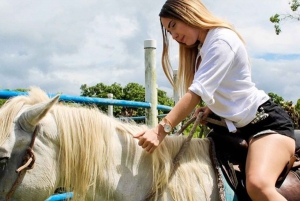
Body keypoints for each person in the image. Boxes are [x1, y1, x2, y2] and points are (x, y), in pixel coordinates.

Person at [133, 0, 296, 200]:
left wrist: (160, 131)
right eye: (169, 32)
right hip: (237, 127)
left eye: (173, 26)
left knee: (258, 185)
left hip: (265, 123)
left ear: (188, 13)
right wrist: (213, 108)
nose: (174, 36)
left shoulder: (221, 41)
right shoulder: (204, 47)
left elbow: (195, 93)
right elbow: (229, 88)